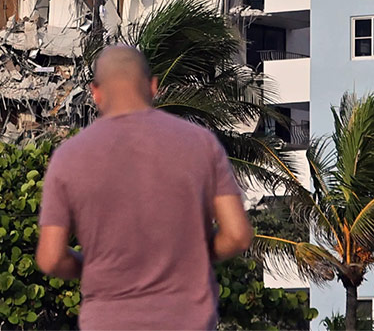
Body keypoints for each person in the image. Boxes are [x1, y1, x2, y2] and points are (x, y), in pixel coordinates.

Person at [35, 44, 253, 331]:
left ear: (95, 93)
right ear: (153, 87)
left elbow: (51, 259)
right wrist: (190, 254)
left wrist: (93, 266)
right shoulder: (201, 144)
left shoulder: (68, 158)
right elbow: (237, 235)